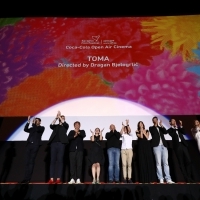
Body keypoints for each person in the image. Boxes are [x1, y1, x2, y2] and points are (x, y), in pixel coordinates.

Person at [167, 119, 194, 183]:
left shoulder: (179, 128)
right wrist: (174, 128)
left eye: (174, 121)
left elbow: (184, 132)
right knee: (181, 162)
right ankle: (186, 178)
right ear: (170, 123)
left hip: (183, 145)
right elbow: (172, 135)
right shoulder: (170, 130)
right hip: (177, 146)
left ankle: (189, 177)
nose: (174, 122)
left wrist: (181, 126)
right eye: (173, 121)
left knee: (188, 161)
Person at [149, 116, 174, 184]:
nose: (155, 120)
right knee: (158, 163)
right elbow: (153, 133)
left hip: (164, 146)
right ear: (153, 121)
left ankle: (168, 178)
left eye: (156, 119)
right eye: (154, 119)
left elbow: (165, 132)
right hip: (157, 146)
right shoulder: (151, 128)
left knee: (165, 163)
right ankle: (161, 178)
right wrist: (156, 125)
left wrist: (161, 125)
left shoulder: (160, 128)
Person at [20, 116, 45, 184]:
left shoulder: (41, 128)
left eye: (37, 121)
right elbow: (25, 129)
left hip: (35, 145)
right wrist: (28, 122)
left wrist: (34, 124)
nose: (36, 121)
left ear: (40, 122)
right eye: (35, 120)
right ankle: (25, 178)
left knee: (31, 162)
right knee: (27, 162)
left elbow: (37, 129)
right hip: (29, 145)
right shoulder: (32, 128)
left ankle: (28, 179)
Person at [47, 111, 69, 184]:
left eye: (63, 118)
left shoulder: (65, 126)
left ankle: (58, 178)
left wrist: (60, 117)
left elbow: (64, 123)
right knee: (52, 161)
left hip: (61, 144)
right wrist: (56, 118)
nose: (62, 119)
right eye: (61, 118)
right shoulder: (56, 126)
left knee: (60, 161)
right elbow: (51, 125)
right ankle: (52, 179)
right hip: (53, 144)